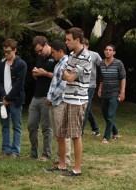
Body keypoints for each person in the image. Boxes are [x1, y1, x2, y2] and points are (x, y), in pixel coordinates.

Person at [57, 27, 92, 177]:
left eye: (68, 40)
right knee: (61, 134)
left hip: (77, 101)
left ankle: (77, 169)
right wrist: (67, 73)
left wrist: (67, 74)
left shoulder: (86, 57)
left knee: (75, 135)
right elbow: (61, 73)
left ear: (77, 40)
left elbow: (69, 77)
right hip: (67, 98)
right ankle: (62, 165)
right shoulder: (71, 55)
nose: (66, 43)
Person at [0, 38, 27, 158]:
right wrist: (3, 96)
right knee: (5, 125)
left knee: (17, 126)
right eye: (5, 52)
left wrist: (9, 98)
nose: (6, 54)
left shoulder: (21, 64)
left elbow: (19, 84)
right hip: (2, 100)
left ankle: (15, 151)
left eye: (9, 52)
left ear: (15, 50)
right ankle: (5, 149)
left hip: (15, 100)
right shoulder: (1, 64)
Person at [27, 36, 57, 161]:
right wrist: (35, 73)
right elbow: (37, 76)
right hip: (36, 95)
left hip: (48, 96)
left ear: (46, 44)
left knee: (46, 127)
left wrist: (45, 73)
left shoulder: (55, 57)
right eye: (37, 52)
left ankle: (46, 154)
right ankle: (33, 153)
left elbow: (59, 76)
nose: (39, 53)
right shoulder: (39, 57)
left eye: (40, 50)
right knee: (31, 125)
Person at [44, 40, 72, 170]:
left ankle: (65, 160)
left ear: (60, 51)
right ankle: (60, 158)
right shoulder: (58, 63)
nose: (53, 55)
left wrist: (51, 98)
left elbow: (62, 85)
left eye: (54, 52)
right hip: (54, 102)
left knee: (62, 133)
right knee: (57, 133)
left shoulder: (66, 63)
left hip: (60, 102)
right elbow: (54, 83)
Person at [98, 44, 126, 144]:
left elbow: (123, 78)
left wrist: (122, 92)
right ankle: (115, 131)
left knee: (110, 114)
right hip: (105, 91)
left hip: (115, 91)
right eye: (106, 50)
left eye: (110, 50)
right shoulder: (101, 63)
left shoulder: (118, 63)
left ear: (114, 52)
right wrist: (100, 88)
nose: (107, 51)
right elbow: (102, 78)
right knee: (105, 114)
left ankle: (106, 138)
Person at [82, 38, 102, 136]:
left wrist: (102, 83)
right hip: (80, 85)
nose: (82, 48)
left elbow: (102, 66)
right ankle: (95, 128)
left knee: (85, 108)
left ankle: (79, 132)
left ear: (87, 46)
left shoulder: (94, 55)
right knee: (87, 107)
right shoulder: (75, 55)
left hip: (90, 85)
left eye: (84, 46)